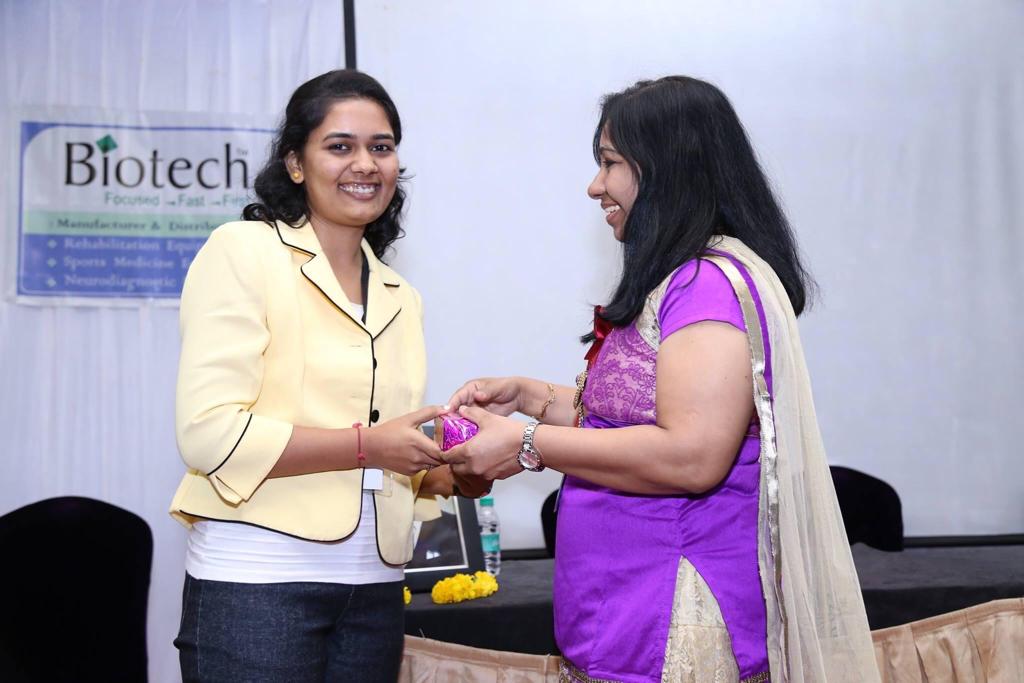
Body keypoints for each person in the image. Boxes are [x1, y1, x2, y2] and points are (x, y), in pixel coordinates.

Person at [445, 76, 879, 682]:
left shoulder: (707, 284)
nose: (595, 186)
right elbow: (630, 416)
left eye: (610, 163)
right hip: (631, 601)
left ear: (664, 168)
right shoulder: (680, 278)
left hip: (676, 617)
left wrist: (527, 443)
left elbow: (692, 455)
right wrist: (530, 397)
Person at [169, 69, 486, 682]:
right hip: (258, 582)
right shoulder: (245, 250)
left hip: (376, 586)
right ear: (295, 163)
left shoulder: (400, 294)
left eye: (381, 147)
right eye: (340, 146)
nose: (365, 164)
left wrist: (449, 471)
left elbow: (380, 450)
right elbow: (209, 435)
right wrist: (371, 447)